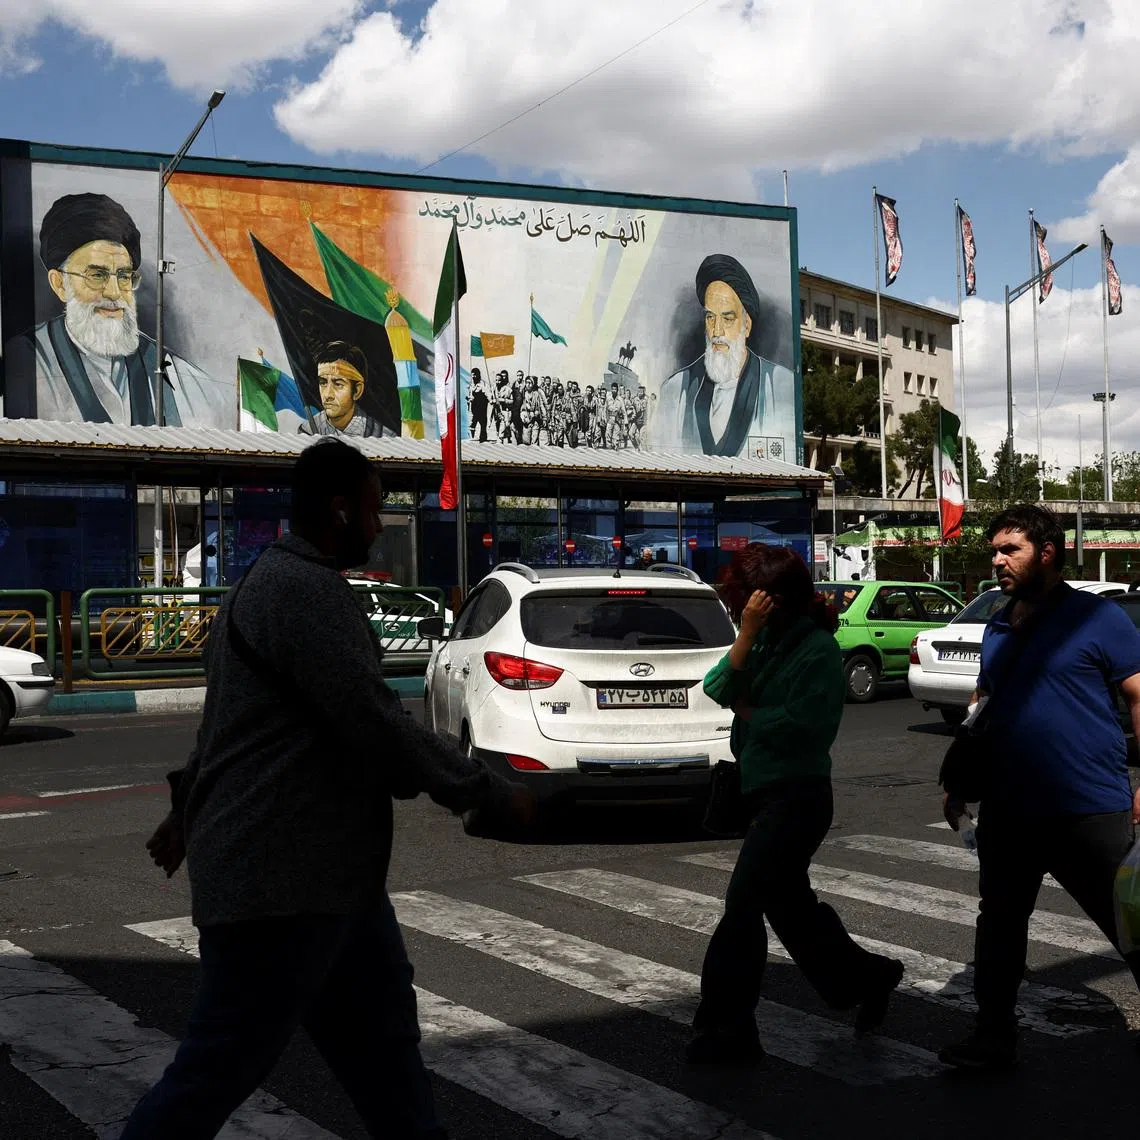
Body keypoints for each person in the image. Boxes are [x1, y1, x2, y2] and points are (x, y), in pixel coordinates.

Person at [121, 439, 532, 1139]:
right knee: (215, 1070)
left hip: (332, 883)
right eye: (374, 510)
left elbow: (229, 726)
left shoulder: (264, 584)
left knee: (384, 1053)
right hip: (283, 884)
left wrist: (187, 805)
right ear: (339, 511)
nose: (378, 526)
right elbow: (372, 721)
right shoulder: (307, 593)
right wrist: (479, 789)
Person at [939, 504, 1140, 1071]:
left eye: (1011, 550)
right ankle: (993, 1037)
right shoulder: (1000, 622)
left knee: (1128, 921)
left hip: (1088, 803)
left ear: (1046, 554)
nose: (997, 561)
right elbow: (983, 704)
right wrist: (958, 782)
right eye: (994, 550)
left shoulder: (1097, 618)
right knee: (999, 924)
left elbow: (1138, 696)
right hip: (1009, 807)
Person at [687, 543, 904, 1064]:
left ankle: (726, 1028)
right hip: (760, 793)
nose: (741, 609)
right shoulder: (762, 640)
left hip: (798, 799)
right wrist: (745, 636)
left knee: (742, 907)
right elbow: (717, 686)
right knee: (789, 910)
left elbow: (807, 727)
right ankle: (868, 977)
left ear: (773, 599)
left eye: (745, 601)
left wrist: (751, 712)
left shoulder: (818, 650)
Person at [4, 192, 223, 427]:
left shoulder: (181, 379)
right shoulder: (22, 363)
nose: (114, 292)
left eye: (123, 276)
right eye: (96, 275)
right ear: (59, 284)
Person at [653, 254, 794, 458]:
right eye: (710, 317)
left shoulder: (781, 385)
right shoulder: (674, 391)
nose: (716, 331)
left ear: (747, 325)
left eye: (728, 318)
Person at [299, 341, 387, 438]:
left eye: (338, 384)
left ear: (357, 391)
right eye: (323, 383)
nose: (328, 395)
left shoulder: (382, 437)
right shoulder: (307, 431)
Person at [469, 368, 489, 443]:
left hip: (482, 406)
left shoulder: (483, 384)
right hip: (474, 406)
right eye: (472, 375)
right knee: (473, 421)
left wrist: (490, 400)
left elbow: (487, 393)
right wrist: (470, 398)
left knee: (483, 422)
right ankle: (472, 436)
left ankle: (483, 439)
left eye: (474, 375)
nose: (473, 377)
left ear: (478, 375)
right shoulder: (471, 384)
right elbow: (470, 394)